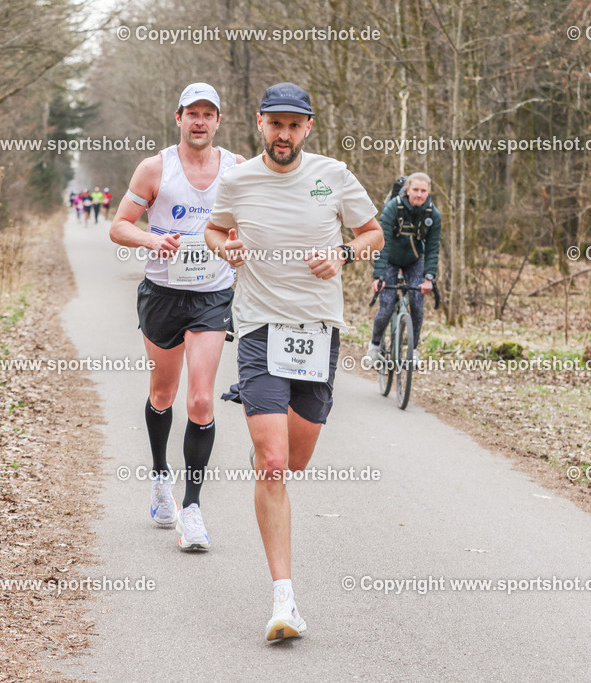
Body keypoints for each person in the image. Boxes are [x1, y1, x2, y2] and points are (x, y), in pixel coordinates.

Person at [205, 82, 384, 642]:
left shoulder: (333, 175)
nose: (283, 135)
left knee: (297, 460)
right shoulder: (238, 180)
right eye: (275, 124)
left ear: (308, 127)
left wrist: (344, 254)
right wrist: (224, 247)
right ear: (260, 123)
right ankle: (284, 599)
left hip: (316, 331)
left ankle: (269, 447)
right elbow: (214, 229)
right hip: (259, 329)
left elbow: (373, 233)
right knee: (274, 464)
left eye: (294, 125)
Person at [109, 83, 246, 551]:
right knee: (163, 393)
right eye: (192, 113)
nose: (200, 121)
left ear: (218, 121)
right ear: (179, 117)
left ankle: (192, 510)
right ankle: (159, 477)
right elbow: (119, 226)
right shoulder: (155, 168)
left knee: (202, 401)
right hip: (163, 294)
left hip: (211, 295)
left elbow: (250, 223)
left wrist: (239, 245)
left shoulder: (236, 168)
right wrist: (152, 240)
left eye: (208, 114)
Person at [365, 172, 441, 364]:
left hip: (414, 261)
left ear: (428, 192)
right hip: (389, 259)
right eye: (415, 189)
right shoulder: (393, 207)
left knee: (417, 305)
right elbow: (382, 242)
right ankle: (374, 346)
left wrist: (429, 277)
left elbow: (432, 248)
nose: (419, 194)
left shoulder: (433, 214)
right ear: (407, 190)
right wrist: (379, 276)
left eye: (423, 190)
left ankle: (413, 350)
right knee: (387, 306)